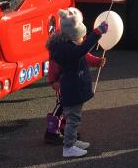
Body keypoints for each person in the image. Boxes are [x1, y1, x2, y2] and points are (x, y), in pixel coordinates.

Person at [45, 8, 108, 159]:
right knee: (73, 118)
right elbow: (84, 49)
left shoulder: (69, 47)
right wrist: (97, 33)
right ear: (72, 36)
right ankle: (68, 147)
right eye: (81, 36)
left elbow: (84, 53)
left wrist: (97, 61)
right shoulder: (69, 50)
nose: (83, 38)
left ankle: (72, 141)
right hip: (72, 89)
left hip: (75, 88)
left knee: (74, 117)